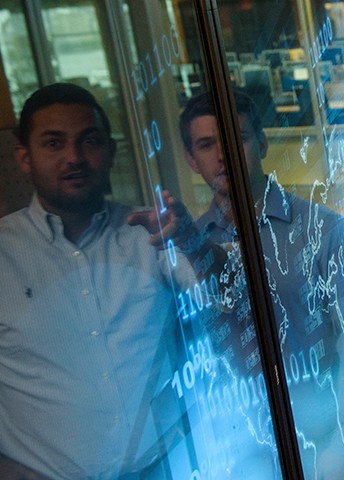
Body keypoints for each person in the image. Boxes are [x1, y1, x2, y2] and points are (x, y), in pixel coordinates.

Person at [0, 83, 211, 478]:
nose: (74, 157)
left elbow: (226, 305)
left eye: (89, 141)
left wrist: (194, 243)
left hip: (169, 467)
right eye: (53, 144)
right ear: (23, 159)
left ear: (111, 152)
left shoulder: (150, 233)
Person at [180, 90, 344, 479]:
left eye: (237, 138)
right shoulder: (191, 252)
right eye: (206, 145)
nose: (222, 156)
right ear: (191, 159)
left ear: (262, 141)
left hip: (324, 448)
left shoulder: (327, 233)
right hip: (242, 456)